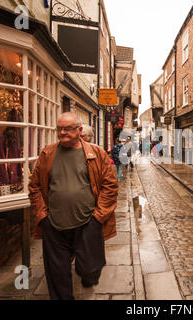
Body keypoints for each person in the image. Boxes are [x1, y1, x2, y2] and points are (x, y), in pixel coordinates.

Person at [28, 112, 118, 300]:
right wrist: (42, 216)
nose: (62, 133)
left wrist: (98, 217)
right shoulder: (47, 153)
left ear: (79, 130)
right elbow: (34, 186)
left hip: (87, 222)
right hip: (53, 225)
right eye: (59, 129)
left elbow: (110, 186)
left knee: (89, 268)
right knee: (57, 274)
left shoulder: (96, 153)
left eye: (67, 129)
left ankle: (88, 286)